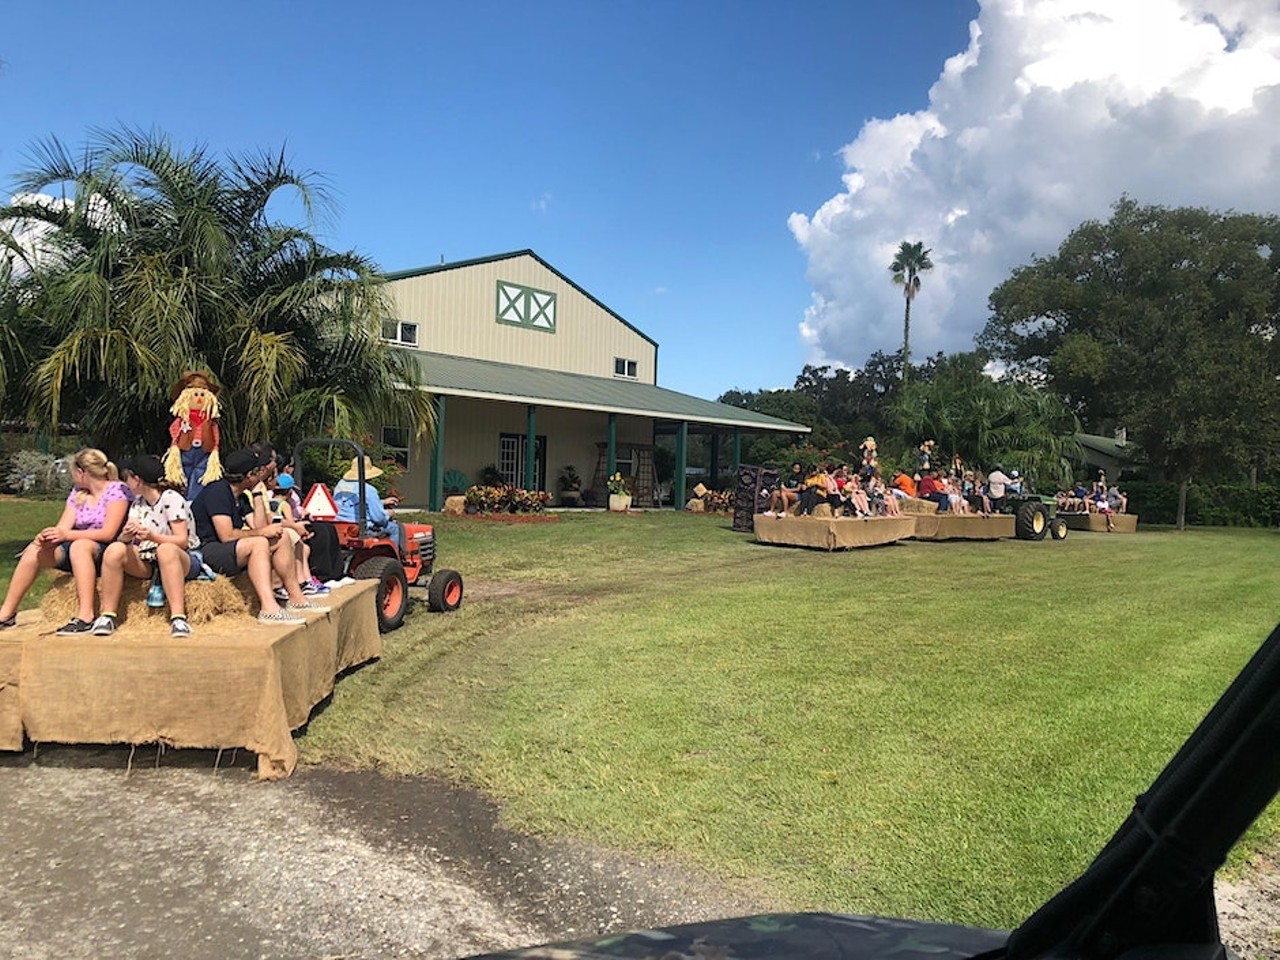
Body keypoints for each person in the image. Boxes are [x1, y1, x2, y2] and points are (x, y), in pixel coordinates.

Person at [189, 448, 327, 625]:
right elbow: (226, 535)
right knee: (259, 543)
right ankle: (269, 609)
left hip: (231, 548)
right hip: (207, 549)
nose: (263, 475)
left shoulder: (241, 496)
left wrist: (256, 495)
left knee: (282, 537)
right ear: (249, 475)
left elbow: (260, 526)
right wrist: (262, 533)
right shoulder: (218, 491)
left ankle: (296, 598)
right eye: (258, 472)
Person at [0, 449, 131, 635]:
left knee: (80, 546)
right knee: (34, 551)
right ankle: (6, 613)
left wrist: (66, 535)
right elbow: (63, 527)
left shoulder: (116, 490)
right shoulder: (78, 493)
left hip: (109, 550)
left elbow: (108, 533)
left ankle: (86, 616)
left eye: (73, 473)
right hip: (78, 545)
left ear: (81, 472)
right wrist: (48, 538)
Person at [93, 455, 203, 638]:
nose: (125, 483)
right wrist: (127, 536)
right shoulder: (138, 503)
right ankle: (108, 615)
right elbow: (127, 538)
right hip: (150, 558)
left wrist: (152, 536)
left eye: (126, 478)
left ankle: (178, 618)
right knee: (115, 549)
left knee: (165, 550)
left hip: (183, 558)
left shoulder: (171, 499)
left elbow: (182, 540)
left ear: (137, 479)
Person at [334, 456, 403, 549]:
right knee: (394, 528)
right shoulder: (369, 489)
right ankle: (395, 560)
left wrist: (381, 502)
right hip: (361, 529)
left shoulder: (341, 485)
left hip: (340, 528)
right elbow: (379, 518)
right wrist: (389, 513)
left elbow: (353, 502)